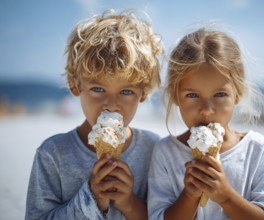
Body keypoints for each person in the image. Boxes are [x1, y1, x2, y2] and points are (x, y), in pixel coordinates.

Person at [25, 9, 163, 220]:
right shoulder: (52, 154)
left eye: (126, 91)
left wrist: (129, 203)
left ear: (142, 94)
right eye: (98, 89)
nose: (111, 104)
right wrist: (90, 199)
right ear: (75, 86)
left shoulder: (155, 151)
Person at [148, 26, 264, 220]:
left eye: (220, 94)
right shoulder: (165, 153)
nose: (206, 109)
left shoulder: (256, 149)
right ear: (175, 96)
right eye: (192, 95)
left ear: (238, 93)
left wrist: (226, 197)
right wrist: (190, 195)